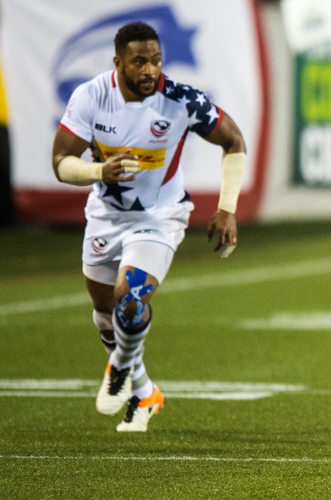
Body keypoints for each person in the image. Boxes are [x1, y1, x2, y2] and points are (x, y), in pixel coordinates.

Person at [51, 22, 247, 432]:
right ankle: (144, 392)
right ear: (118, 62)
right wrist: (100, 170)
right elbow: (61, 164)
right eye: (139, 61)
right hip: (105, 216)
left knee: (130, 298)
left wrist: (227, 207)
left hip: (160, 216)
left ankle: (119, 368)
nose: (150, 70)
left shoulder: (180, 99)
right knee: (106, 315)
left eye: (156, 60)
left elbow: (234, 141)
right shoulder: (90, 96)